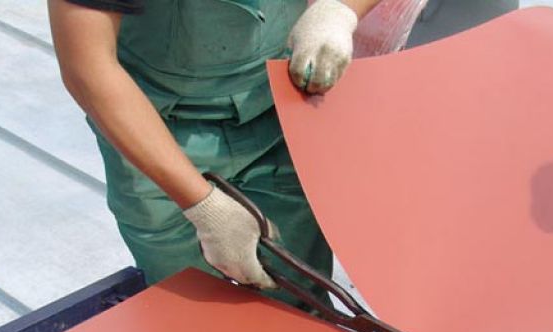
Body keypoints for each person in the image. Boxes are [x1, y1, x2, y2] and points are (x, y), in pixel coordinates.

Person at [48, 0, 382, 296]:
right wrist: (203, 206)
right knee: (188, 311)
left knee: (301, 304)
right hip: (155, 133)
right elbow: (87, 66)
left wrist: (339, 10)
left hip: (280, 110)